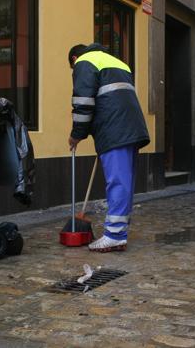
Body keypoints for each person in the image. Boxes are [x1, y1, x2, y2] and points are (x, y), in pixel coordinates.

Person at [68, 43, 150, 252]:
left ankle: (114, 235)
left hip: (115, 130)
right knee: (124, 182)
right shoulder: (118, 63)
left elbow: (84, 102)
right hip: (131, 128)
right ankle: (119, 231)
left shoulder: (85, 62)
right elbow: (112, 98)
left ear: (75, 58)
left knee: (117, 182)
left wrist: (77, 135)